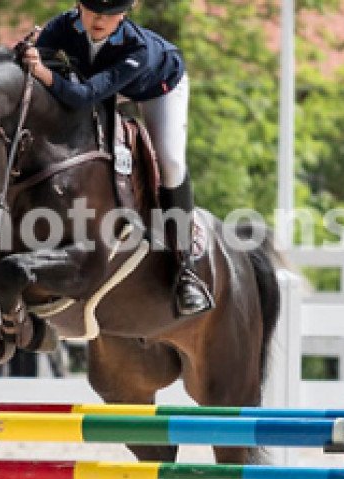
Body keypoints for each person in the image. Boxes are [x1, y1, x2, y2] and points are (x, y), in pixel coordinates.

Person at [22, 0, 213, 316]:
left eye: (111, 14)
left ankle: (186, 268)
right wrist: (25, 52)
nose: (100, 20)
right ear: (78, 6)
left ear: (124, 14)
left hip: (158, 87)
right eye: (94, 10)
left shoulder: (136, 48)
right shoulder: (61, 26)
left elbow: (84, 95)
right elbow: (37, 70)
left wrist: (43, 71)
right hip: (100, 85)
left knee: (170, 162)